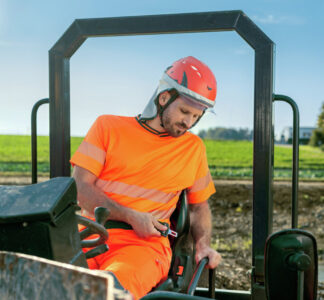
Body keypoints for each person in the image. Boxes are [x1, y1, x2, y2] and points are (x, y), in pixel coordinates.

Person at [70, 56, 222, 299]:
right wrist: (130, 215)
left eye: (196, 116)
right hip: (85, 237)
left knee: (106, 292)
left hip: (143, 247)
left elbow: (198, 207)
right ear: (164, 98)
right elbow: (80, 187)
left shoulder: (194, 148)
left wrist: (203, 244)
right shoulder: (107, 127)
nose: (188, 122)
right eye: (184, 111)